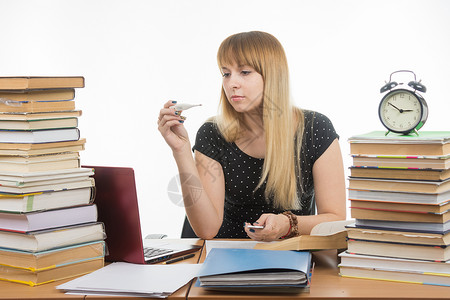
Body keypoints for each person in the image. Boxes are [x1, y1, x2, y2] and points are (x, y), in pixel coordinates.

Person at [158, 31, 346, 241]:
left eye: (245, 72)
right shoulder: (213, 133)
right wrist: (181, 151)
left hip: (290, 261)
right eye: (226, 73)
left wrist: (287, 223)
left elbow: (336, 220)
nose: (232, 83)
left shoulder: (315, 129)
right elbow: (206, 230)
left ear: (273, 76)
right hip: (225, 258)